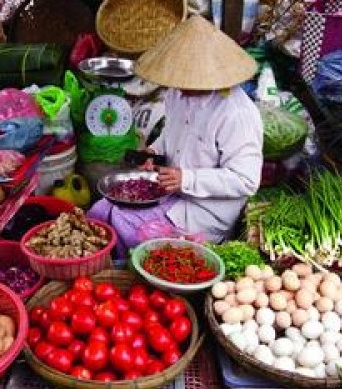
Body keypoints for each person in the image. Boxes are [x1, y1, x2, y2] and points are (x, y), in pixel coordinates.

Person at [88, 15, 263, 257]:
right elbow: (172, 136)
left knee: (125, 223)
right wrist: (154, 152)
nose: (179, 86)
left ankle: (128, 274)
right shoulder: (178, 94)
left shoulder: (236, 114)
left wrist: (186, 178)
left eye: (185, 81)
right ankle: (107, 268)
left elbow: (246, 180)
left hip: (205, 210)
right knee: (100, 209)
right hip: (172, 193)